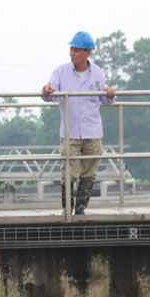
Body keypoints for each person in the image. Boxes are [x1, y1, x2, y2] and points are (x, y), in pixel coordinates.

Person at [42, 31, 116, 215]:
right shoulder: (61, 72)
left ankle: (81, 209)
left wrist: (110, 94)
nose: (72, 53)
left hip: (92, 130)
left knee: (90, 172)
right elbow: (48, 96)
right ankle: (67, 208)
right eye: (71, 49)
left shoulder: (97, 72)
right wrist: (46, 90)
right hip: (70, 130)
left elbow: (105, 100)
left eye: (76, 50)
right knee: (69, 171)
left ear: (87, 53)